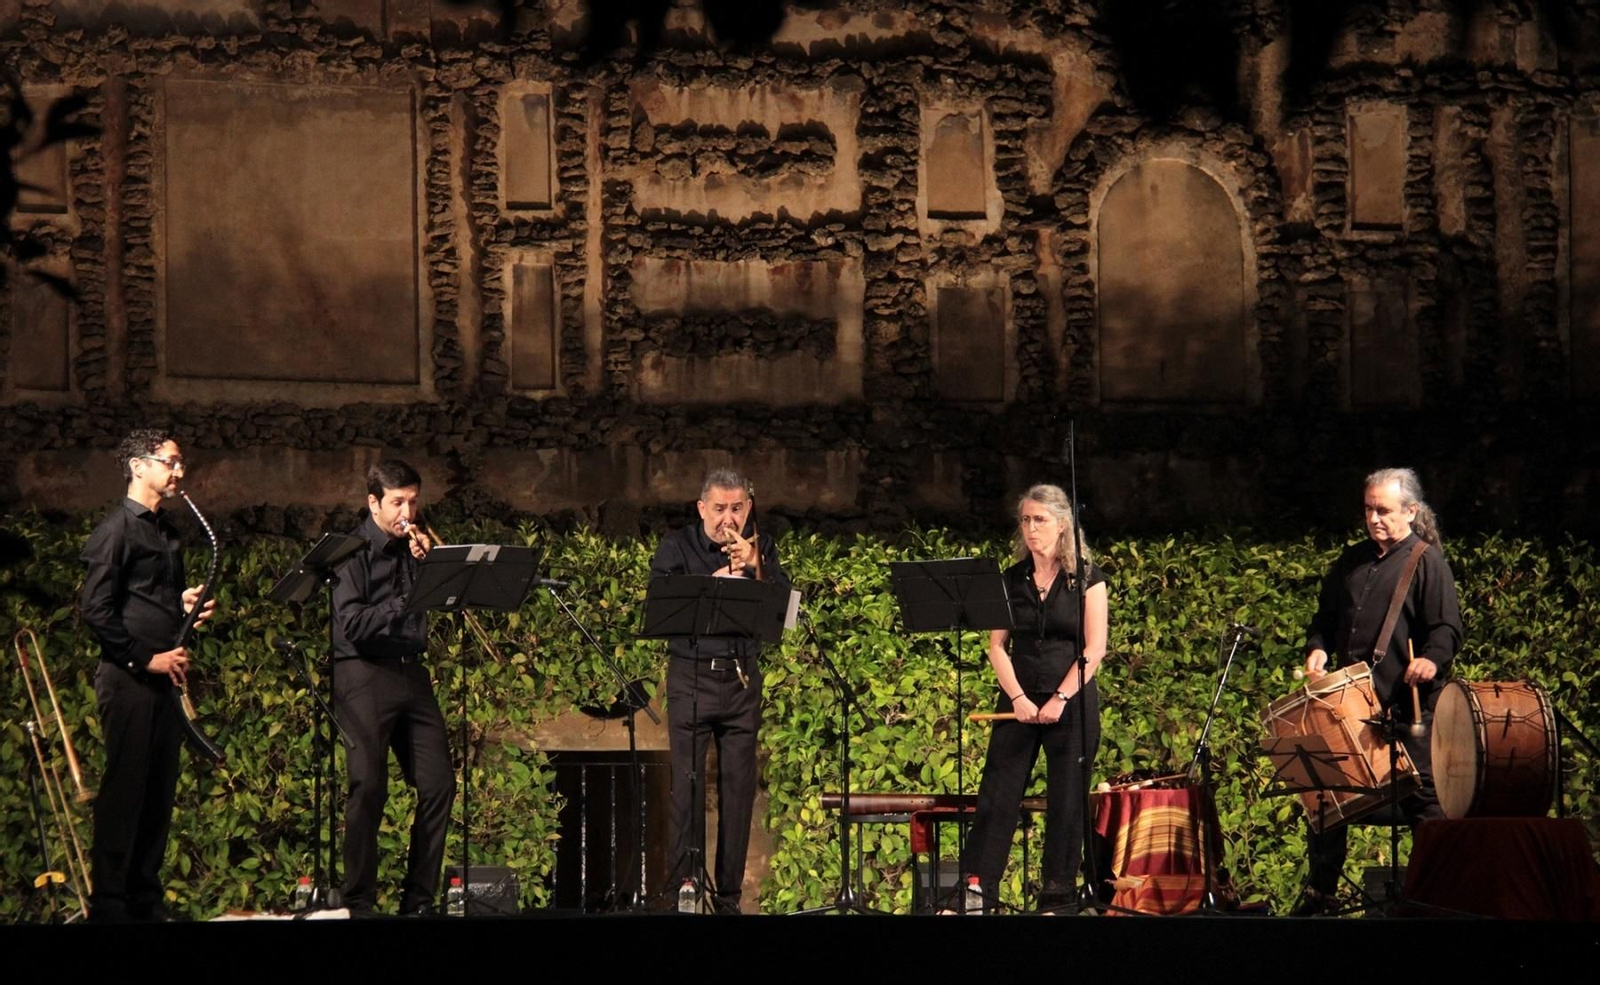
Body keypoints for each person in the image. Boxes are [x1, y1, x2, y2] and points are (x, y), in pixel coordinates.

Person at [1294, 467, 1462, 914]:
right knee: (1327, 795)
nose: (1374, 518)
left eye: (1383, 510)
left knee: (1426, 802)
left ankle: (1436, 895)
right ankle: (1321, 894)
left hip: (1405, 710)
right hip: (1349, 708)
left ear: (1410, 510)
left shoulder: (1426, 561)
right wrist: (1317, 650)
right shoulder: (1351, 560)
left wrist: (1430, 659)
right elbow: (1323, 622)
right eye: (1368, 509)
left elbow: (1447, 627)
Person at [80, 429, 213, 922]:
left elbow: (151, 597)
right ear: (139, 466)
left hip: (162, 680)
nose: (180, 471)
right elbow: (96, 609)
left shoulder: (164, 530)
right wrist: (143, 657)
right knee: (126, 792)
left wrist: (185, 605)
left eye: (181, 463)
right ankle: (110, 907)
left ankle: (145, 900)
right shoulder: (116, 530)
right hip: (130, 678)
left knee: (158, 792)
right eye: (170, 462)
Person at [961, 483, 1107, 913]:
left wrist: (1061, 697)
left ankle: (1056, 896)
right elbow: (995, 647)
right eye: (1025, 520)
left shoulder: (1087, 578)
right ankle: (977, 891)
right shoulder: (1010, 580)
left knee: (1067, 799)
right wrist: (1018, 699)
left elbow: (1094, 649)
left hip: (1072, 699)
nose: (1031, 529)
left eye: (1039, 520)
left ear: (1062, 525)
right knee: (997, 794)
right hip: (1019, 698)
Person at [649, 468, 790, 913]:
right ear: (701, 509)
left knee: (738, 792)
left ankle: (728, 899)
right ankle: (682, 894)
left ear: (748, 508)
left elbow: (783, 612)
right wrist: (714, 584)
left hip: (741, 680)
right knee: (686, 792)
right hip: (692, 676)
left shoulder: (761, 547)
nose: (728, 519)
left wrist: (755, 567)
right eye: (719, 509)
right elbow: (661, 603)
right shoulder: (677, 546)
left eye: (736, 508)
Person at [332, 459, 455, 916]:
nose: (408, 511)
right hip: (362, 672)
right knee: (368, 786)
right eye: (398, 502)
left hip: (411, 671)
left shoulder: (415, 548)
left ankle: (418, 901)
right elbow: (355, 623)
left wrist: (431, 573)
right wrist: (409, 599)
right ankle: (358, 901)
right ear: (373, 502)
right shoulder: (349, 552)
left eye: (414, 501)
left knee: (439, 783)